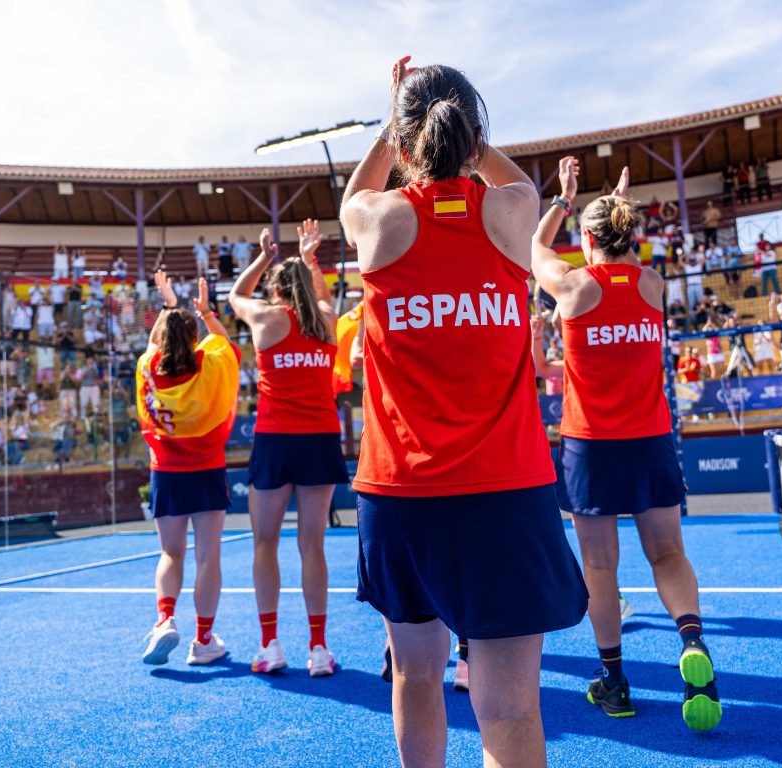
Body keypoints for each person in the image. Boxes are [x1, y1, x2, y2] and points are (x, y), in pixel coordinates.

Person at [339, 57, 588, 767]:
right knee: (510, 709)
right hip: (505, 492)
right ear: (473, 134)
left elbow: (354, 195)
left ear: (404, 139)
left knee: (416, 678)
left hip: (401, 496)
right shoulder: (511, 214)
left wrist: (392, 122)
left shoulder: (379, 220)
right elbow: (519, 182)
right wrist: (473, 146)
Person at [532, 155, 720, 731]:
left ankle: (614, 682)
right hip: (651, 439)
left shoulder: (572, 287)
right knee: (668, 554)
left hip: (591, 446)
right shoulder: (653, 285)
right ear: (630, 236)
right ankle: (692, 640)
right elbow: (623, 262)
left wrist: (564, 198)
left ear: (587, 239)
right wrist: (615, 206)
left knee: (600, 566)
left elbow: (536, 248)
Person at [228, 218, 348, 679]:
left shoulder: (266, 318)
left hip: (276, 440)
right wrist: (310, 258)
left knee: (264, 543)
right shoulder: (326, 321)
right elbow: (323, 298)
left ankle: (270, 644)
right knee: (312, 545)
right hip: (319, 439)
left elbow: (236, 294)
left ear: (276, 289)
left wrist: (264, 256)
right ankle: (318, 648)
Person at [137, 269, 239, 667]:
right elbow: (225, 345)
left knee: (170, 552)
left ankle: (164, 619)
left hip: (166, 472)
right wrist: (206, 313)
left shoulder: (148, 367)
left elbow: (153, 344)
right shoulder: (211, 364)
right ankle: (204, 639)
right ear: (196, 339)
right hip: (207, 470)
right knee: (207, 557)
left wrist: (169, 307)